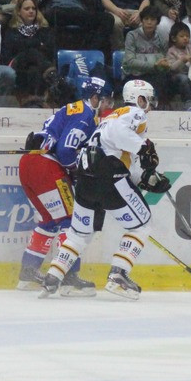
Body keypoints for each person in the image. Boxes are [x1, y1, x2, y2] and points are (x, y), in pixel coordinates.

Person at [40, 79, 172, 299]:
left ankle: (53, 276)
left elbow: (117, 150)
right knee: (141, 225)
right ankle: (118, 276)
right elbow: (121, 139)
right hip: (107, 174)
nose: (150, 104)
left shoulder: (109, 117)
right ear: (140, 99)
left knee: (79, 233)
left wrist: (144, 177)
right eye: (148, 99)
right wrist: (144, 148)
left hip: (86, 177)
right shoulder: (134, 113)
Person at [17, 76, 107, 290]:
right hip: (46, 167)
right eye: (106, 100)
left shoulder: (71, 108)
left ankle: (28, 272)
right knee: (71, 219)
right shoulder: (86, 115)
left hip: (29, 164)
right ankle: (68, 276)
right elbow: (66, 152)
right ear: (95, 98)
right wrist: (80, 168)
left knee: (49, 219)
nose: (107, 105)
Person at [0, 0, 56, 105]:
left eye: (33, 8)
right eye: (27, 9)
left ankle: (33, 101)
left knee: (33, 69)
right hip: (15, 66)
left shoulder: (44, 29)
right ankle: (52, 75)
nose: (31, 11)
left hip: (35, 69)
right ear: (19, 12)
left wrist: (25, 45)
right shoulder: (11, 30)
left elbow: (49, 50)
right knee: (32, 52)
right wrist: (36, 45)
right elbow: (7, 54)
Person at [123, 7, 172, 103]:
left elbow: (165, 60)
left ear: (157, 22)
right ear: (141, 21)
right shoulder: (132, 36)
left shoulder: (162, 38)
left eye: (153, 19)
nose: (149, 22)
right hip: (134, 75)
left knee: (166, 79)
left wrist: (163, 65)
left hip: (154, 75)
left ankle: (158, 108)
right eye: (146, 19)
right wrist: (154, 64)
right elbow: (130, 61)